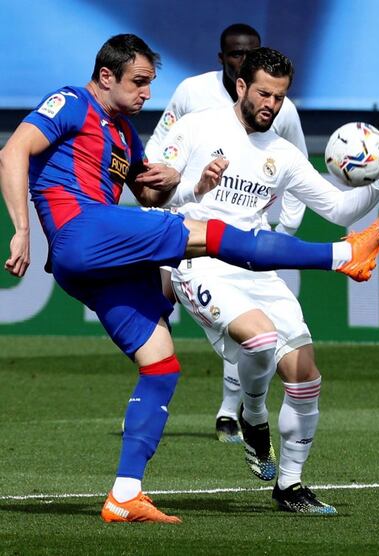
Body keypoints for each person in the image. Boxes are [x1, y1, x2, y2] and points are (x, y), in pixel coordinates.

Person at [0, 34, 379, 524]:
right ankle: (343, 256)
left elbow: (152, 198)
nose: (148, 94)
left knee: (161, 364)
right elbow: (13, 151)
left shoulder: (125, 135)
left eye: (150, 83)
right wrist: (21, 230)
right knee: (209, 234)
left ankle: (125, 495)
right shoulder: (70, 102)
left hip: (96, 259)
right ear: (107, 76)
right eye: (139, 83)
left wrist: (190, 185)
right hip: (81, 229)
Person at [142, 47, 379, 514]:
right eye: (263, 92)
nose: (271, 104)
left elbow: (340, 208)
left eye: (280, 97)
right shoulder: (195, 127)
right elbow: (151, 193)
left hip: (257, 267)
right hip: (197, 261)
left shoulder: (282, 153)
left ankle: (290, 485)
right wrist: (193, 187)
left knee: (306, 377)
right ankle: (254, 414)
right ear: (241, 86)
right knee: (260, 340)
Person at [146, 23, 309, 443]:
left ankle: (228, 411)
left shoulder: (276, 105)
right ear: (223, 59)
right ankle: (154, 384)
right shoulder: (192, 94)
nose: (243, 58)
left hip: (249, 235)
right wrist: (162, 201)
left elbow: (296, 164)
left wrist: (284, 229)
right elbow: (158, 149)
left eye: (251, 51)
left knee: (249, 324)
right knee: (159, 305)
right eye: (236, 54)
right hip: (184, 226)